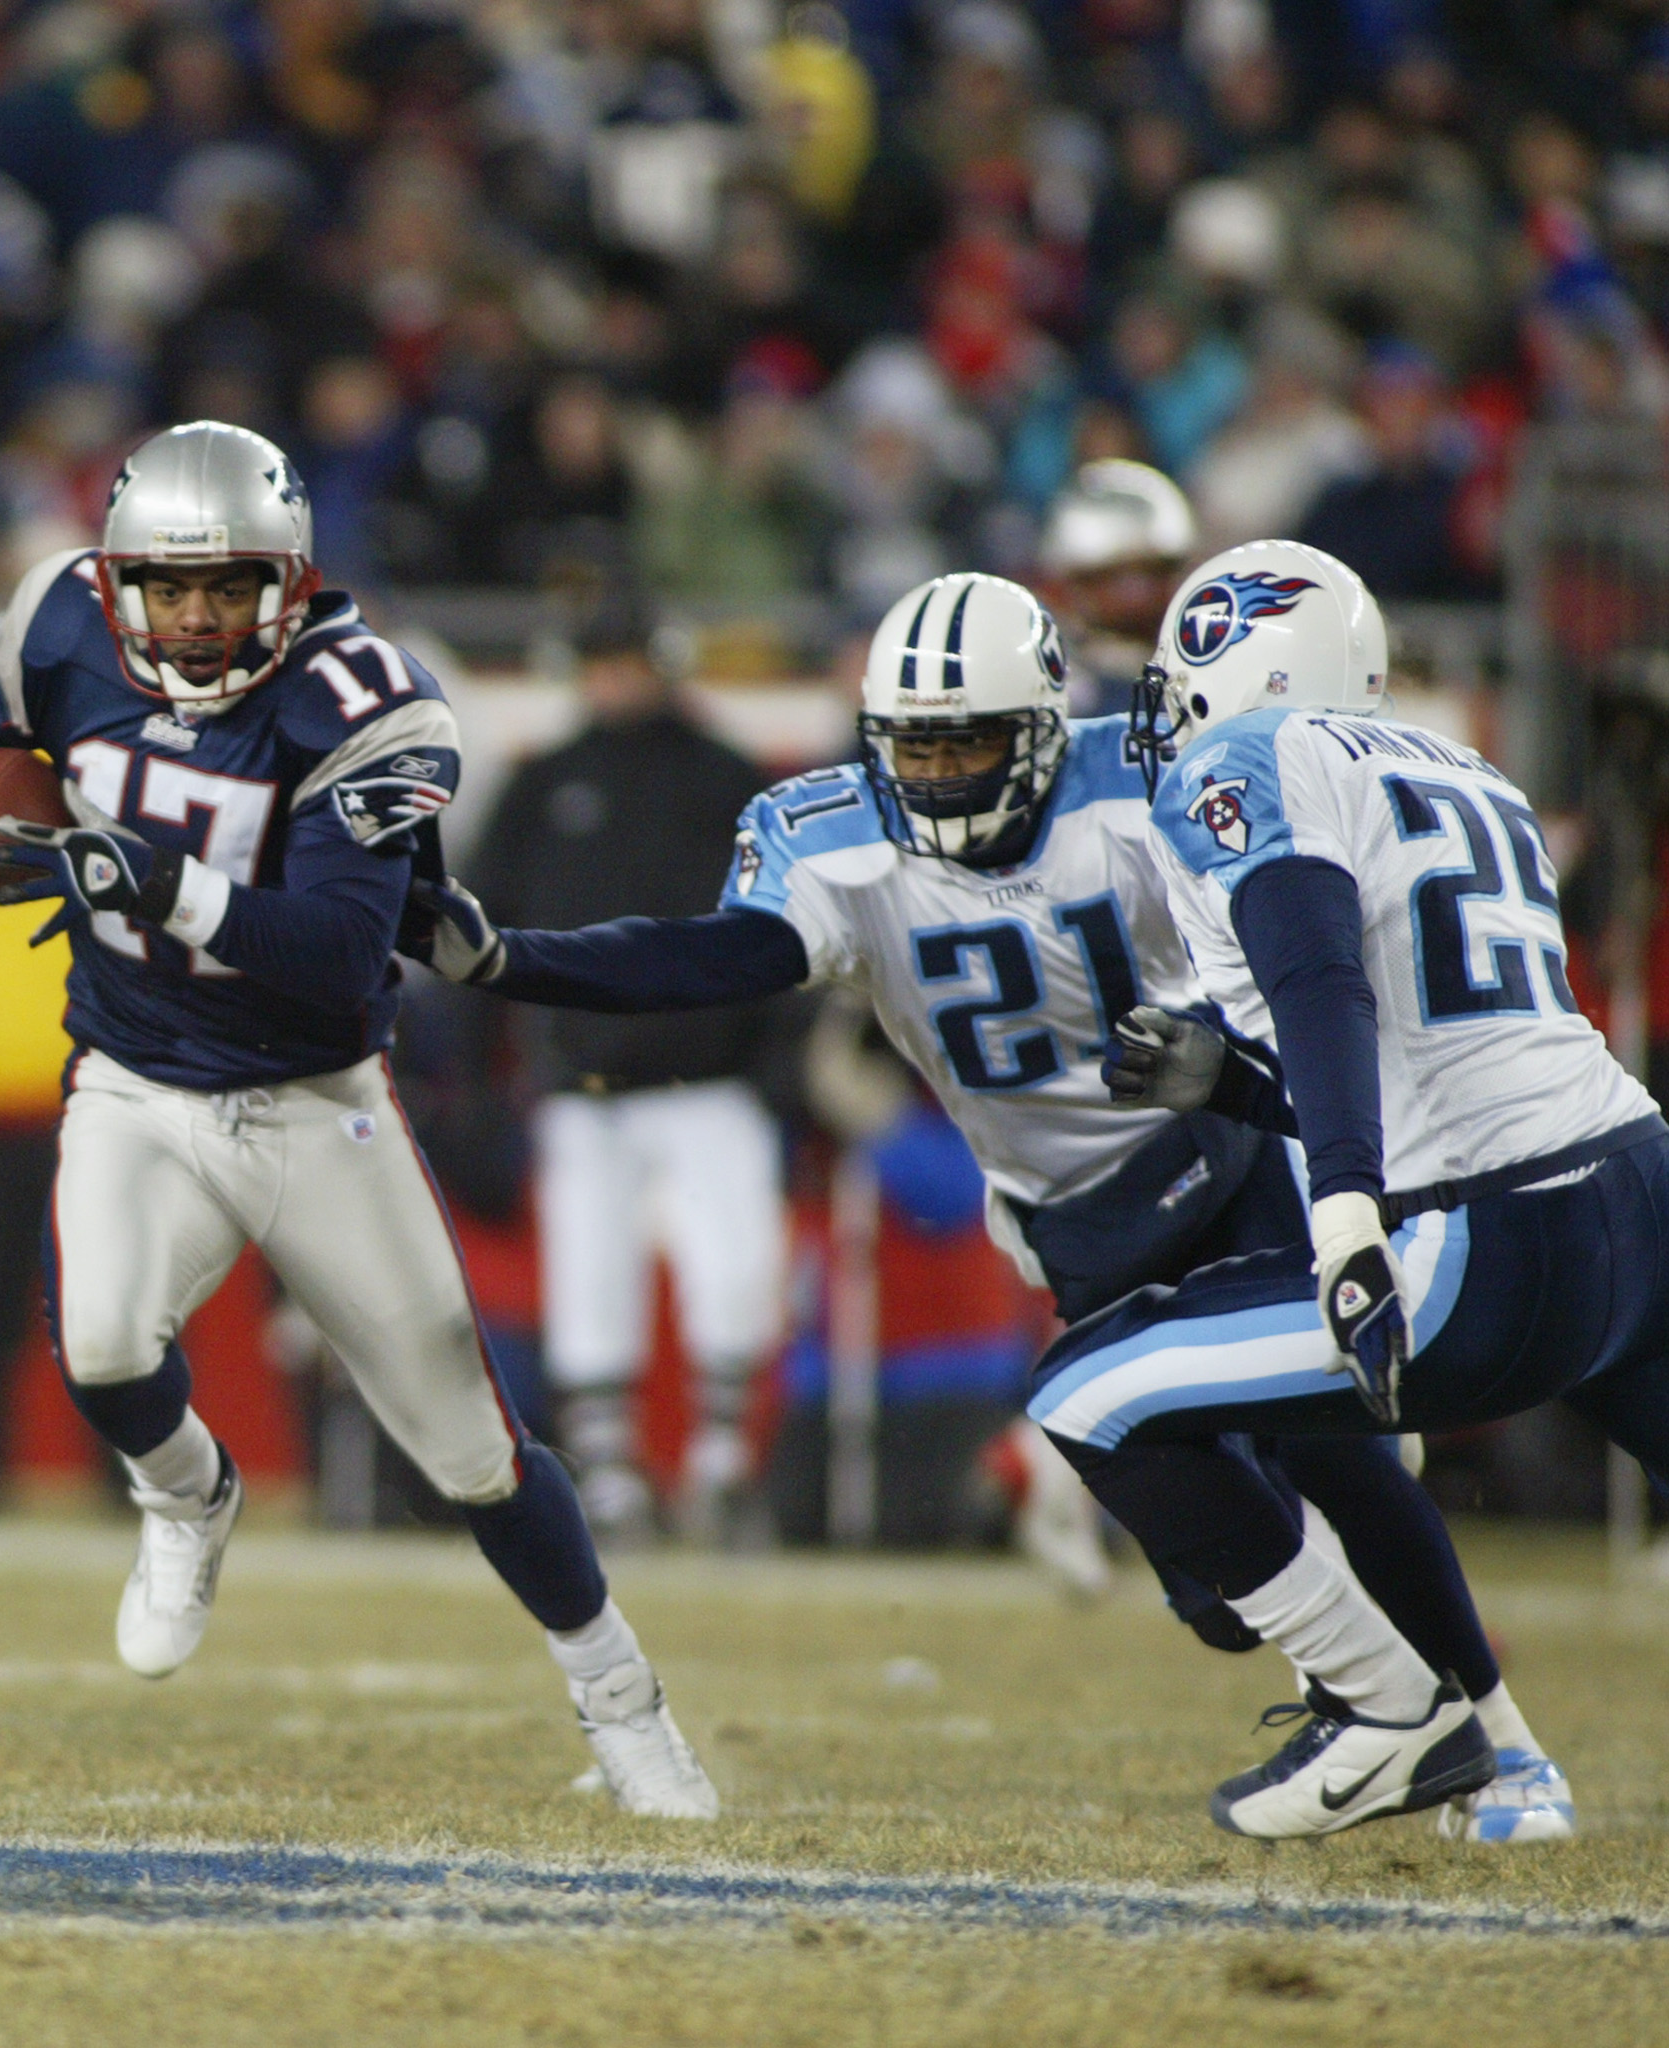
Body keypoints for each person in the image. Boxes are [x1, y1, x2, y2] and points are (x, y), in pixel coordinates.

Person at [405, 569, 1567, 1846]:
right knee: (1221, 1595)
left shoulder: (1144, 785)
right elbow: (713, 957)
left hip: (1224, 1153)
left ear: (1044, 726)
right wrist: (519, 958)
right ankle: (1373, 1697)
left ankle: (1495, 1743)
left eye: (972, 741)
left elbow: (1292, 930)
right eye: (919, 745)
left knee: (1335, 1451)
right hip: (1072, 1216)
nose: (946, 773)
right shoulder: (833, 836)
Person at [0, 420, 719, 1819]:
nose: (198, 619)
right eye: (169, 587)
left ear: (292, 582)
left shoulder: (368, 700)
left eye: (231, 589)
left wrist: (151, 881)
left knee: (469, 1451)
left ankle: (622, 1702)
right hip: (135, 1076)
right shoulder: (57, 619)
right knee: (97, 1344)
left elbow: (341, 953)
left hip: (312, 1100)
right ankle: (185, 1496)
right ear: (117, 580)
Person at [1023, 539, 1656, 1840]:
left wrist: (1345, 1212)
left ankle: (1385, 1711)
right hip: (1634, 1189)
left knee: (1086, 1393)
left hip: (1486, 1235)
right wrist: (1236, 1086)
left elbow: (1322, 981)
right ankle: (1463, 1740)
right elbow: (1430, 1034)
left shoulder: (1239, 758)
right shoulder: (1459, 763)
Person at [463, 598, 788, 1546]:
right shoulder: (544, 783)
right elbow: (481, 934)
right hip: (582, 1087)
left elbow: (786, 929)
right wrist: (481, 1078)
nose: (613, 679)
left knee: (734, 1275)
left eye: (627, 660)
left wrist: (775, 1061)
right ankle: (608, 1478)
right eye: (599, 661)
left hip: (707, 1081)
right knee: (588, 1285)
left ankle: (722, 1466)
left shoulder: (726, 777)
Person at [1035, 458, 1194, 716]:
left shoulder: (1205, 665)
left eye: (1155, 572)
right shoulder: (1051, 681)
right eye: (1113, 578)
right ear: (1066, 584)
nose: (1138, 594)